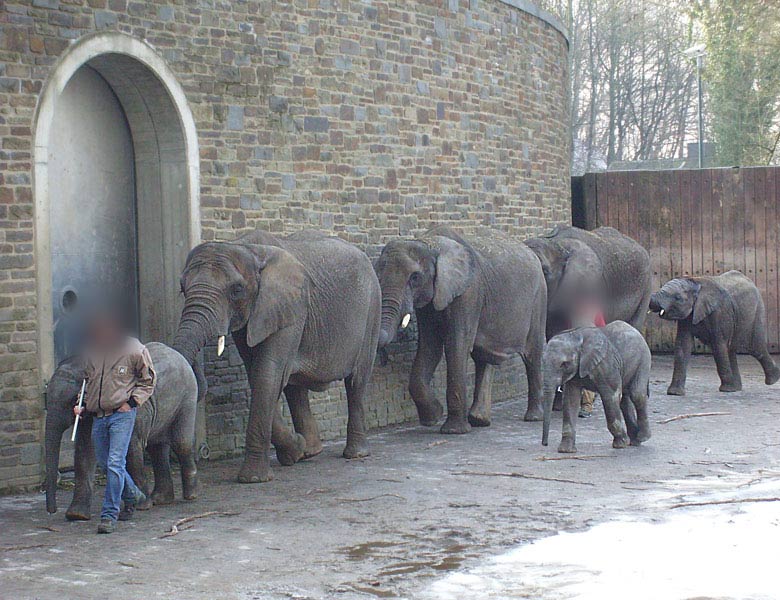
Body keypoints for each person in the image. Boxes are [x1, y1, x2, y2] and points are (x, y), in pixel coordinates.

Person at [73, 314, 156, 533]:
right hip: (98, 417)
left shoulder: (134, 349)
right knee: (106, 463)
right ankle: (134, 495)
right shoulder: (92, 351)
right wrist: (82, 406)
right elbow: (87, 383)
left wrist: (131, 402)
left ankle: (109, 515)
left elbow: (149, 381)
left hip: (121, 415)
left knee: (114, 462)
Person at [571, 299, 606, 418]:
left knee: (588, 375)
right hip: (577, 347)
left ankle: (587, 405)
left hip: (590, 348)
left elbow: (602, 329)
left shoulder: (595, 311)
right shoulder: (574, 311)